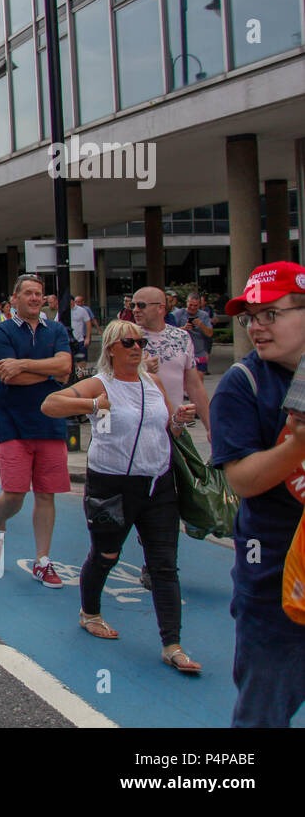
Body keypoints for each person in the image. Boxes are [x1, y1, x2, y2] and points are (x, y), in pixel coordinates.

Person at [42, 319, 201, 671]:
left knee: (163, 566)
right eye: (129, 343)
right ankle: (90, 613)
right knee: (106, 555)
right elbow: (50, 405)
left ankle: (172, 644)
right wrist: (93, 406)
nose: (136, 349)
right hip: (112, 485)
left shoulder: (152, 381)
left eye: (141, 342)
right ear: (112, 347)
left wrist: (179, 420)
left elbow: (164, 427)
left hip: (157, 483)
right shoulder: (101, 384)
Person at [210, 262, 305, 726]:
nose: (256, 328)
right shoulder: (242, 383)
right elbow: (242, 480)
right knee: (263, 714)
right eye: (250, 318)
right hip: (274, 581)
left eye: (270, 314)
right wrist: (298, 445)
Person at [0, 274, 72, 587]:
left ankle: (42, 560)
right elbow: (8, 377)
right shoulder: (1, 331)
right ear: (15, 299)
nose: (36, 298)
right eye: (29, 294)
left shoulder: (58, 329)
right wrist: (49, 373)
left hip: (51, 422)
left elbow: (66, 366)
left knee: (46, 494)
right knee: (15, 493)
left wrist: (23, 364)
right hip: (13, 423)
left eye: (39, 294)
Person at [131, 286, 211, 441]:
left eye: (141, 305)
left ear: (161, 308)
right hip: (137, 431)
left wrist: (210, 427)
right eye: (132, 305)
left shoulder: (181, 337)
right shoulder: (126, 337)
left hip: (175, 429)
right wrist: (140, 369)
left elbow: (194, 386)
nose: (135, 310)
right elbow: (107, 376)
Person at [173, 292, 214, 374]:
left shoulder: (204, 315)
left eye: (195, 306)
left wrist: (201, 325)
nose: (192, 308)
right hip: (183, 353)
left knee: (199, 379)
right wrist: (183, 328)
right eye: (190, 305)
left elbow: (210, 333)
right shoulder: (178, 314)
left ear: (199, 305)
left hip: (199, 353)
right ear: (187, 302)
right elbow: (169, 331)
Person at [70, 295, 98, 363]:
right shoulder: (63, 310)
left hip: (80, 339)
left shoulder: (82, 310)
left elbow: (88, 323)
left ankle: (81, 373)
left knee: (82, 360)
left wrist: (87, 338)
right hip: (69, 340)